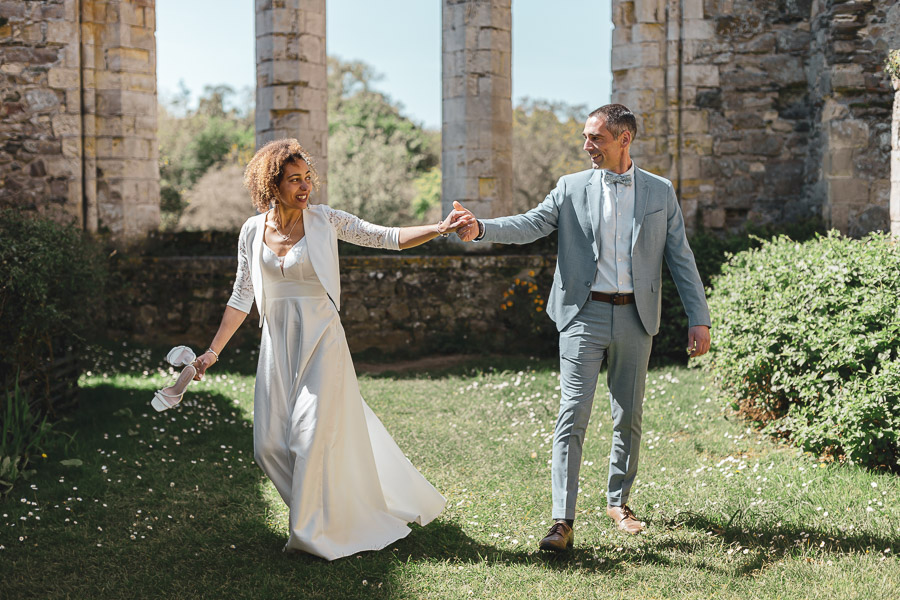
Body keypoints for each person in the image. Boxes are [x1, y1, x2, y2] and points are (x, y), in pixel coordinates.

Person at [191, 138, 472, 560]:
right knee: (267, 446)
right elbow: (240, 296)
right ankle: (331, 511)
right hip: (277, 344)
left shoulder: (326, 220)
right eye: (294, 180)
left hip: (322, 338)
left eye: (308, 178)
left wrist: (438, 228)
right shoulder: (252, 230)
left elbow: (386, 237)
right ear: (272, 184)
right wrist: (212, 353)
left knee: (309, 437)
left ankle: (309, 535)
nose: (305, 187)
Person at [455, 104, 711, 551]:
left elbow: (680, 257)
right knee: (572, 413)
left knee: (628, 414)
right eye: (586, 138)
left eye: (597, 139)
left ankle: (619, 501)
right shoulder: (570, 187)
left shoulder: (660, 192)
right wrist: (480, 228)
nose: (587, 146)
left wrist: (699, 317)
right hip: (582, 315)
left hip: (636, 316)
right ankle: (561, 522)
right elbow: (531, 223)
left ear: (624, 139)